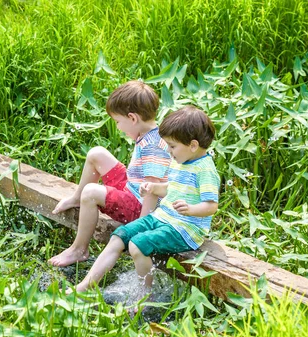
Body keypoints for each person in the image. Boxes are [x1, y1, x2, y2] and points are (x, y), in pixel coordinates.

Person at [70, 105, 220, 294]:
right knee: (120, 236)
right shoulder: (181, 161)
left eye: (172, 146)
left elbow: (211, 206)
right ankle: (85, 286)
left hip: (185, 228)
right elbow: (172, 188)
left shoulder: (205, 170)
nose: (169, 151)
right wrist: (155, 188)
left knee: (137, 245)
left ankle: (145, 294)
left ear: (193, 145)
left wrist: (191, 209)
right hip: (163, 217)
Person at [48, 80, 172, 267]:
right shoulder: (148, 133)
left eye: (118, 121)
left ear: (132, 118)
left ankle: (79, 249)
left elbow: (152, 191)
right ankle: (76, 198)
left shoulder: (153, 147)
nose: (118, 127)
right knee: (96, 154)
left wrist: (140, 227)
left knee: (91, 192)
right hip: (133, 188)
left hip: (140, 208)